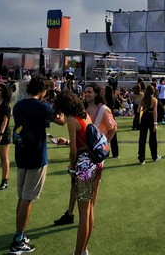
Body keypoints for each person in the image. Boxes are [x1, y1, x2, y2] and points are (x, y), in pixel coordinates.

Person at [7, 75, 63, 255]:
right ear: (44, 90)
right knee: (28, 197)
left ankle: (20, 235)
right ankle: (18, 239)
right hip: (37, 155)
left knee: (22, 196)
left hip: (21, 154)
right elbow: (60, 120)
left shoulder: (18, 105)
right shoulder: (43, 107)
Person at [54, 84, 116, 228]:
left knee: (90, 192)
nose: (86, 94)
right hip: (87, 154)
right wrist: (68, 142)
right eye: (85, 91)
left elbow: (113, 128)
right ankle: (71, 214)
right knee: (76, 187)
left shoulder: (102, 110)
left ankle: (86, 218)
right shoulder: (84, 111)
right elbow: (80, 138)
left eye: (89, 92)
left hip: (93, 156)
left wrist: (104, 144)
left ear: (96, 93)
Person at [54, 89, 103, 255]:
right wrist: (67, 142)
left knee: (83, 213)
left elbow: (74, 151)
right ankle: (84, 249)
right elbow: (84, 141)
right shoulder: (85, 115)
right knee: (89, 209)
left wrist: (72, 167)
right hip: (96, 163)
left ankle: (78, 252)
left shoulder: (72, 120)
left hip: (84, 166)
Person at [137, 84, 160, 164]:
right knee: (153, 138)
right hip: (150, 117)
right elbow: (155, 112)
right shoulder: (154, 100)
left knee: (142, 138)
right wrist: (155, 123)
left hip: (144, 116)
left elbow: (138, 109)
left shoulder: (143, 99)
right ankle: (154, 156)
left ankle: (141, 158)